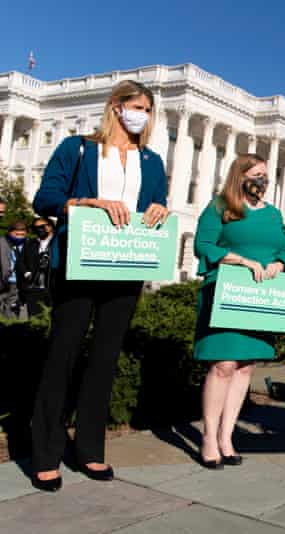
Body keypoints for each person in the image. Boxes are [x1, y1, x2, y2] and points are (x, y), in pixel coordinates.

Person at [30, 79, 169, 492]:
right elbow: (45, 198)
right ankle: (45, 452)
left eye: (147, 109)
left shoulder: (152, 160)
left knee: (105, 360)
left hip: (125, 269)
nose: (141, 114)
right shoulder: (78, 148)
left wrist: (159, 209)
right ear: (116, 106)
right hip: (80, 262)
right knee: (63, 355)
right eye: (136, 106)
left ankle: (90, 448)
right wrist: (86, 203)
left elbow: (155, 204)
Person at [193, 153, 285, 469]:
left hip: (259, 297)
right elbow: (203, 245)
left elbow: (284, 250)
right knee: (223, 364)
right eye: (256, 174)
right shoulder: (220, 207)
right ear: (240, 176)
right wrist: (241, 260)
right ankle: (208, 437)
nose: (262, 180)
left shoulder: (274, 214)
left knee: (245, 368)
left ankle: (226, 436)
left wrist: (278, 264)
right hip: (226, 290)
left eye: (265, 174)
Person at [15, 218, 55, 316]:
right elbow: (20, 262)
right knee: (34, 318)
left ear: (50, 227)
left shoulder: (58, 242)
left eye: (42, 227)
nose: (39, 229)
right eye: (35, 227)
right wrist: (26, 273)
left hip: (52, 287)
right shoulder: (30, 243)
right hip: (34, 288)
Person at [1, 221, 28, 319]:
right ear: (10, 232)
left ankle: (10, 326)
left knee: (12, 308)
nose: (20, 237)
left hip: (17, 281)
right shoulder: (2, 242)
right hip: (3, 280)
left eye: (22, 234)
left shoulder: (28, 243)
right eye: (17, 234)